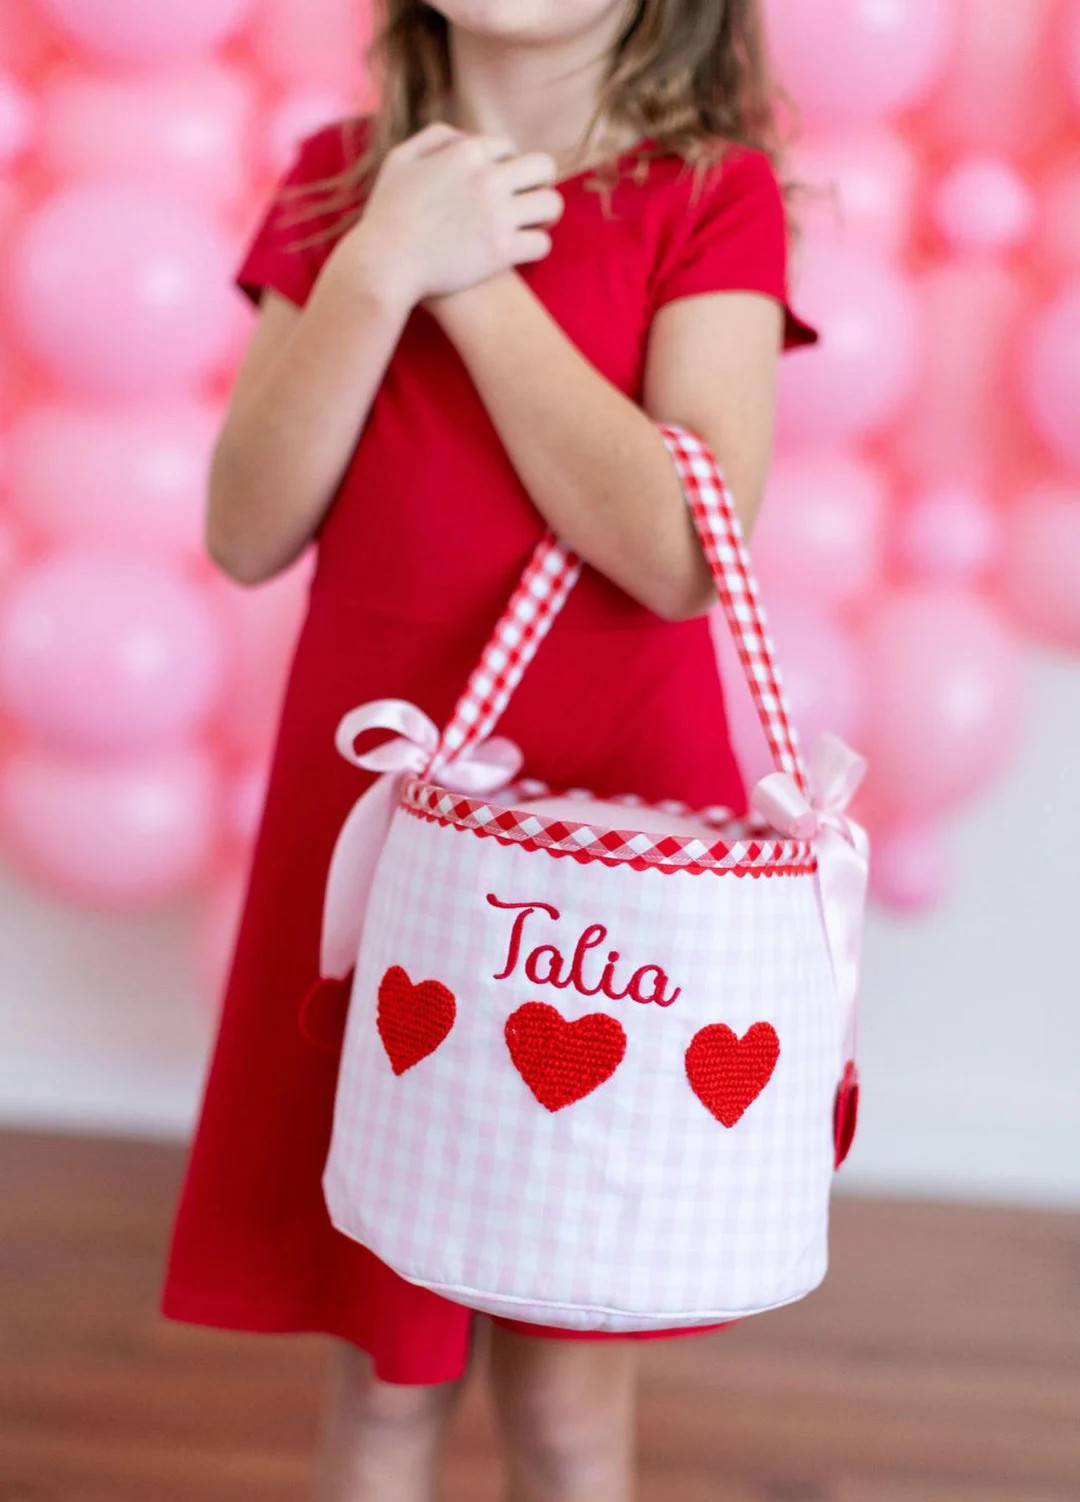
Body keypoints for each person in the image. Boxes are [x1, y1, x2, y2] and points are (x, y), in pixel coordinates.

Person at [160, 1, 819, 1497]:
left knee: (569, 1402)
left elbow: (675, 552)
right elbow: (245, 526)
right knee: (388, 1387)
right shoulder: (341, 181)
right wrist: (382, 258)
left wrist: (467, 286)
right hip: (379, 831)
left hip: (611, 851)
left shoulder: (711, 192)